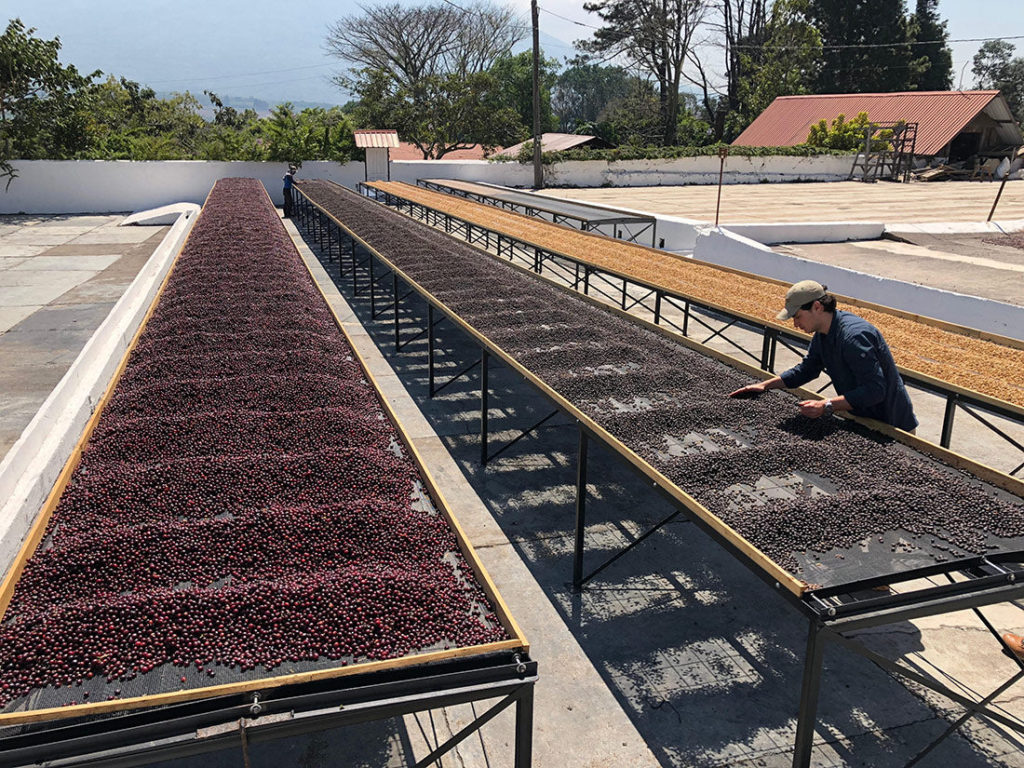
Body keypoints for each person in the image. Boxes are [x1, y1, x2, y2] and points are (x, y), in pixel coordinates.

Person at [728, 280, 918, 432]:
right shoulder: (822, 334)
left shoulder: (854, 337)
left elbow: (875, 390)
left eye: (797, 317)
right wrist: (765, 385)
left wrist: (826, 405)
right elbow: (807, 370)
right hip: (861, 418)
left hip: (891, 424)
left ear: (817, 307)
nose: (795, 324)